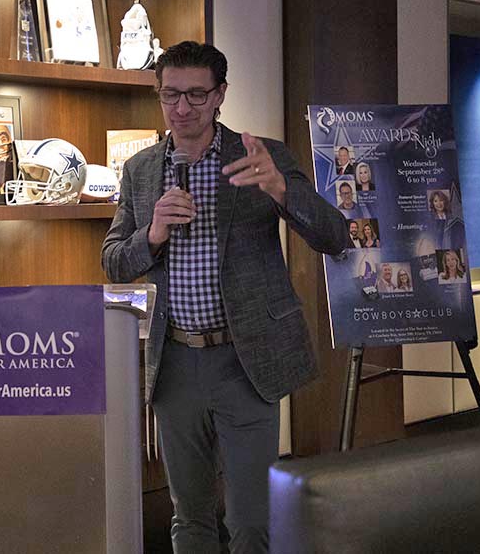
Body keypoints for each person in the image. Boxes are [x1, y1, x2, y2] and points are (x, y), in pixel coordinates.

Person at [101, 41, 348, 554]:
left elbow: (335, 235)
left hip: (246, 360)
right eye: (171, 94)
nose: (182, 108)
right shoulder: (141, 170)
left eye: (196, 94)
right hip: (174, 363)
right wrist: (152, 234)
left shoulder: (261, 157)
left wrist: (281, 189)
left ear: (220, 95)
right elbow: (114, 261)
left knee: (252, 521)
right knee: (190, 518)